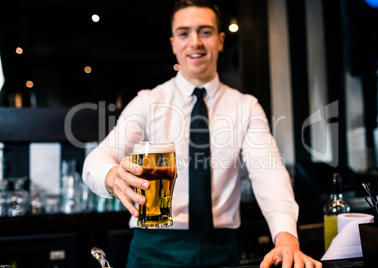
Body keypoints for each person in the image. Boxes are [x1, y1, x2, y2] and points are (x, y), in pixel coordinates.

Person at [82, 1, 322, 267]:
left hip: (221, 250)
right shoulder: (148, 102)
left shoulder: (245, 106)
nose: (194, 42)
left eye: (205, 32)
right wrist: (111, 175)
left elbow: (269, 173)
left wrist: (286, 237)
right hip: (153, 249)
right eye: (184, 33)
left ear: (220, 41)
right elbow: (98, 157)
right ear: (173, 43)